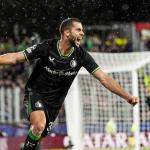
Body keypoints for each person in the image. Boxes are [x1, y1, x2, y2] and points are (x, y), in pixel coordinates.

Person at [0, 18, 139, 150]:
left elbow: (104, 78)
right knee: (39, 125)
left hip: (55, 103)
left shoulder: (81, 56)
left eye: (82, 30)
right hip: (36, 92)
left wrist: (127, 97)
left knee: (38, 135)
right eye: (78, 30)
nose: (82, 33)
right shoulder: (47, 47)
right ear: (67, 32)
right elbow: (15, 58)